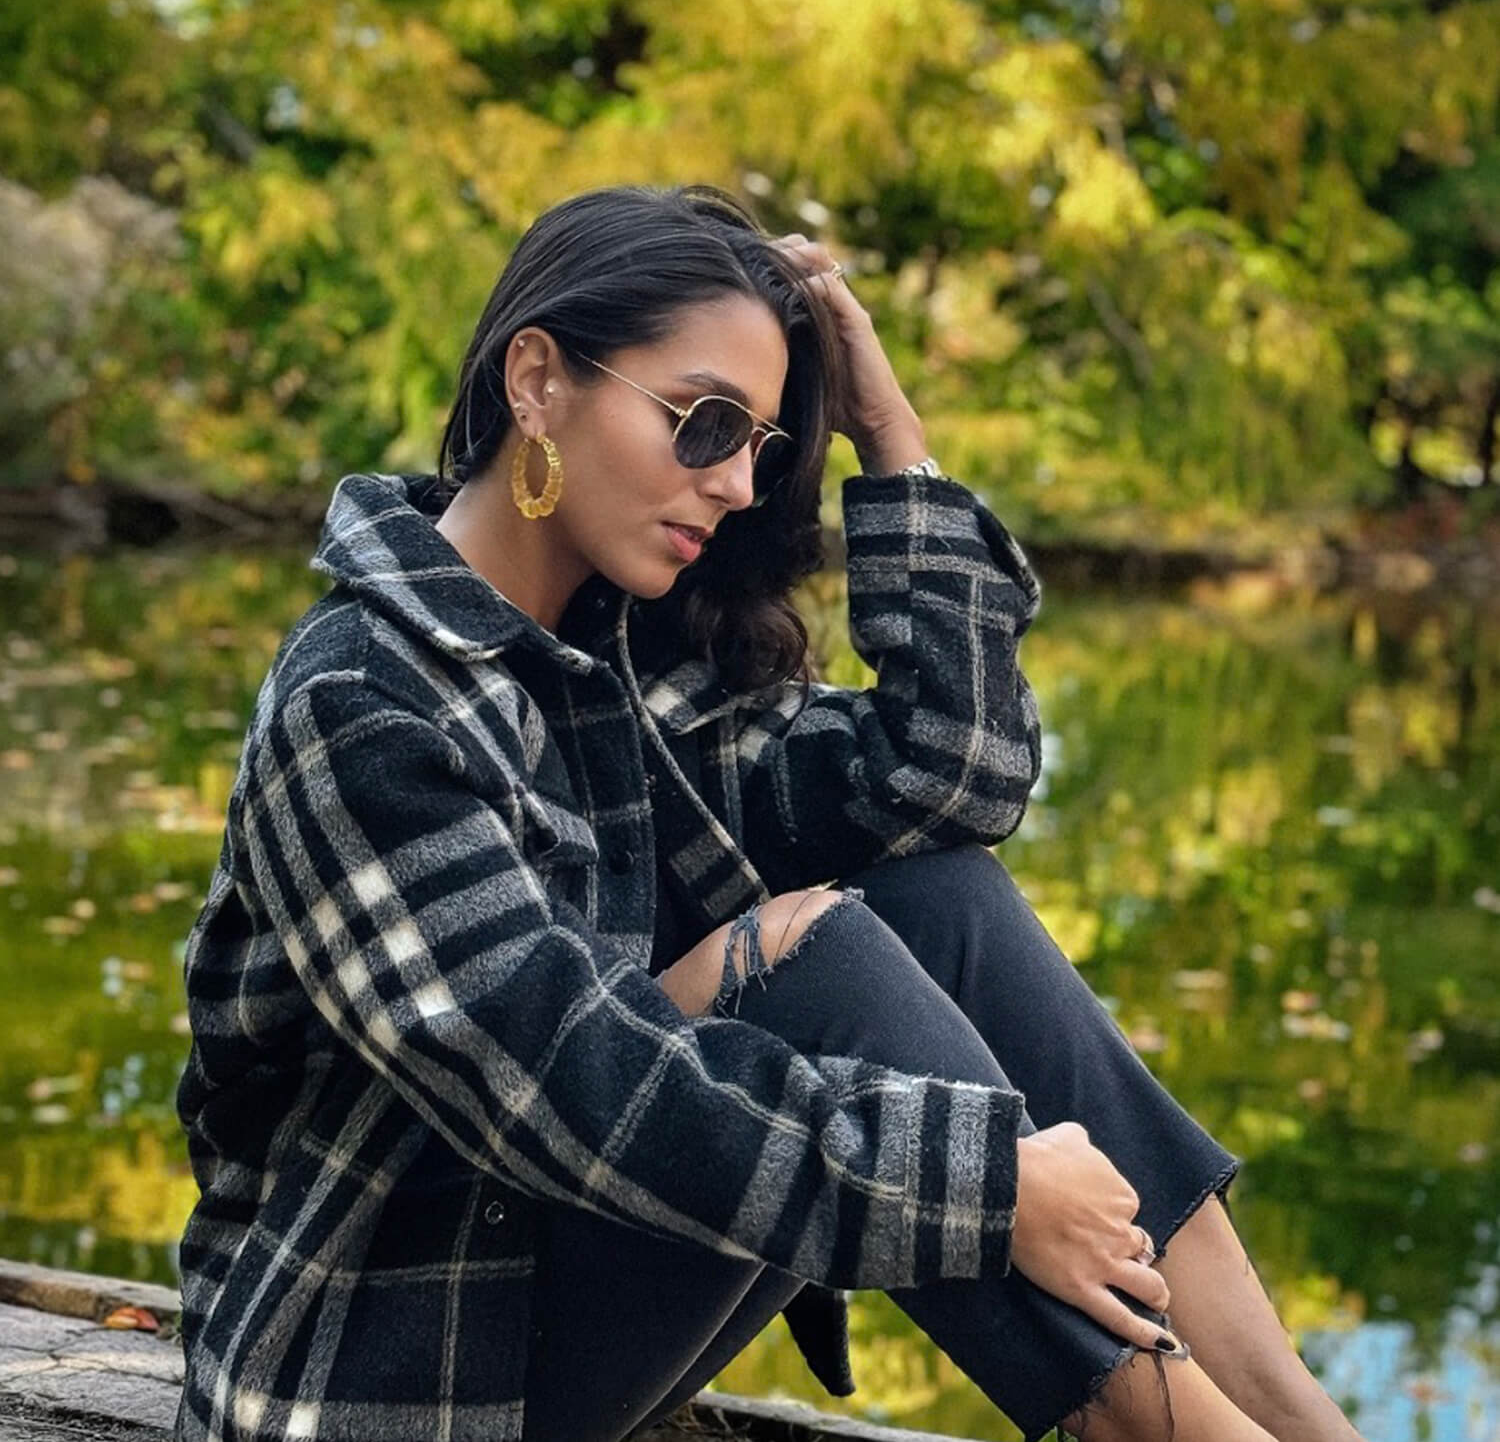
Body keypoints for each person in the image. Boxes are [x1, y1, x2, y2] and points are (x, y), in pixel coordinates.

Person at [172, 183, 1364, 1442]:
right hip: (383, 1376)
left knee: (933, 891)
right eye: (703, 425)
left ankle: (1297, 1424)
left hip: (542, 1307)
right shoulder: (362, 702)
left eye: (760, 444)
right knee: (822, 964)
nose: (739, 482)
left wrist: (891, 438)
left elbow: (948, 780)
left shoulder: (614, 668)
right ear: (537, 381)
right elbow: (561, 1086)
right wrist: (993, 1188)